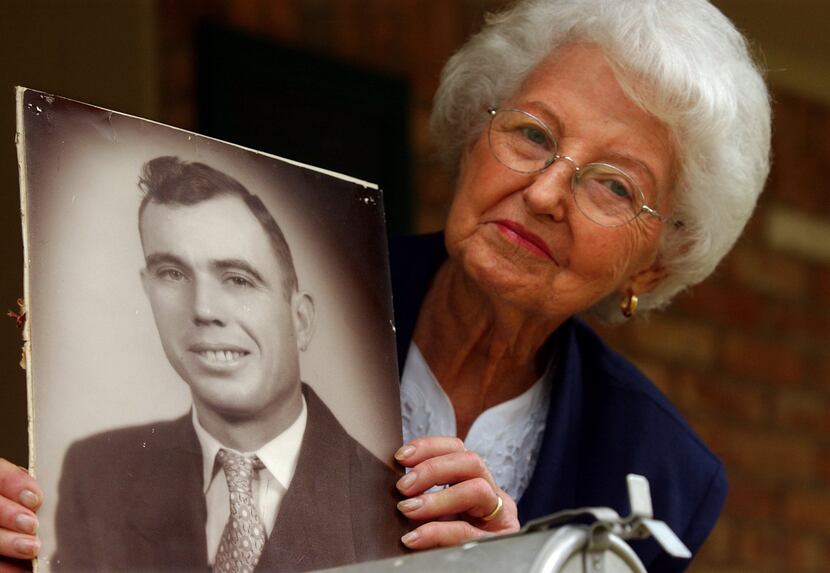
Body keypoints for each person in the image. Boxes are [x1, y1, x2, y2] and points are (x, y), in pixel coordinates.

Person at [1, 0, 771, 571]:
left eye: (611, 186)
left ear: (655, 263)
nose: (543, 192)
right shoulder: (267, 313)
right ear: (476, 133)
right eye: (532, 134)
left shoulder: (659, 468)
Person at [32, 156, 406, 572]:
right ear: (147, 289)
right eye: (173, 273)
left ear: (300, 321)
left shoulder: (398, 511)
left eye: (238, 279)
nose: (203, 309)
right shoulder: (97, 475)